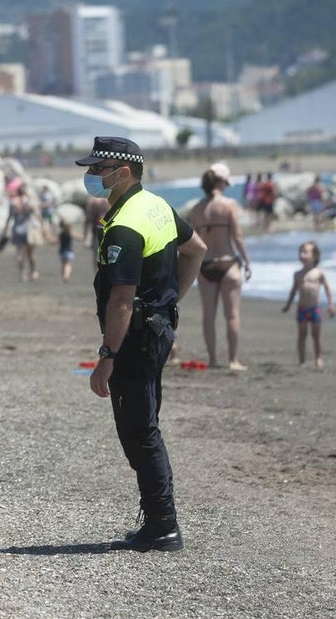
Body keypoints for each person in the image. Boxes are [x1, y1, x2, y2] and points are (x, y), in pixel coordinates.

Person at [80, 136, 206, 552]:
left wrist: (106, 357)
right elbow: (196, 249)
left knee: (138, 429)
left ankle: (162, 525)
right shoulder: (157, 206)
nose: (92, 176)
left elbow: (121, 299)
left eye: (99, 169)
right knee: (145, 421)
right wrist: (171, 300)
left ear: (124, 172)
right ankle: (157, 521)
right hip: (158, 329)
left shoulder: (127, 225)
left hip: (135, 337)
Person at [188, 162, 252, 371]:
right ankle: (233, 360)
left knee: (208, 316)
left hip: (205, 265)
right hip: (228, 263)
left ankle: (213, 359)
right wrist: (247, 261)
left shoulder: (197, 208)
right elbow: (237, 236)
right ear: (222, 182)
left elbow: (192, 240)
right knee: (232, 315)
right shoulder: (229, 205)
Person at [281, 241, 336, 368]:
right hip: (302, 309)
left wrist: (331, 304)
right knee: (302, 336)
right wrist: (288, 305)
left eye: (305, 252)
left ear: (315, 256)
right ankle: (302, 360)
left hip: (315, 309)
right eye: (300, 252)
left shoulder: (319, 273)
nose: (302, 255)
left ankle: (318, 358)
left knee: (316, 336)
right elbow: (293, 291)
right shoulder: (298, 274)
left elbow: (327, 289)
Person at [1, 185, 42, 281]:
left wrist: (5, 231)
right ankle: (33, 272)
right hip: (28, 230)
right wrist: (44, 229)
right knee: (30, 253)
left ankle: (23, 274)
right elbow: (37, 216)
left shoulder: (13, 203)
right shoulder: (28, 202)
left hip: (17, 230)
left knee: (19, 253)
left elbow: (9, 218)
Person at [57, 217, 76, 283]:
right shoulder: (70, 234)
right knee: (68, 265)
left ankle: (64, 275)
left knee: (63, 265)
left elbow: (56, 241)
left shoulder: (61, 234)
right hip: (69, 252)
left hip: (62, 252)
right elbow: (78, 237)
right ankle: (66, 276)